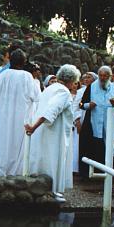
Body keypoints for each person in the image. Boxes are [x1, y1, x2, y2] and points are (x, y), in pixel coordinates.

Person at [26, 64, 81, 202]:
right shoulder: (63, 92)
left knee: (44, 158)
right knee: (53, 159)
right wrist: (34, 127)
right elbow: (51, 110)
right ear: (71, 80)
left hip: (46, 130)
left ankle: (43, 189)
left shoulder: (50, 88)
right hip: (54, 132)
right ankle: (53, 190)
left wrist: (35, 126)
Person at [0, 49, 40, 176]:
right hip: (22, 116)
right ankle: (17, 173)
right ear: (23, 62)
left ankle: (1, 171)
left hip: (4, 116)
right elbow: (36, 97)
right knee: (19, 145)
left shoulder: (3, 75)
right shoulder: (27, 76)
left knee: (4, 142)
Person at [78, 66, 114, 178]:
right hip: (91, 124)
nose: (102, 78)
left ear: (109, 77)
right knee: (89, 148)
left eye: (105, 76)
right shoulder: (91, 87)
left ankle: (105, 174)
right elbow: (80, 104)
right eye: (100, 75)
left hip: (107, 125)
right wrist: (88, 105)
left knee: (105, 149)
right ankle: (86, 175)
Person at [72, 72, 97, 173]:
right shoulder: (80, 91)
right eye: (85, 77)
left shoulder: (96, 91)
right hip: (82, 119)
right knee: (79, 144)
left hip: (93, 120)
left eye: (89, 77)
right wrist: (77, 120)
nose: (86, 79)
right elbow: (76, 106)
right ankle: (77, 168)